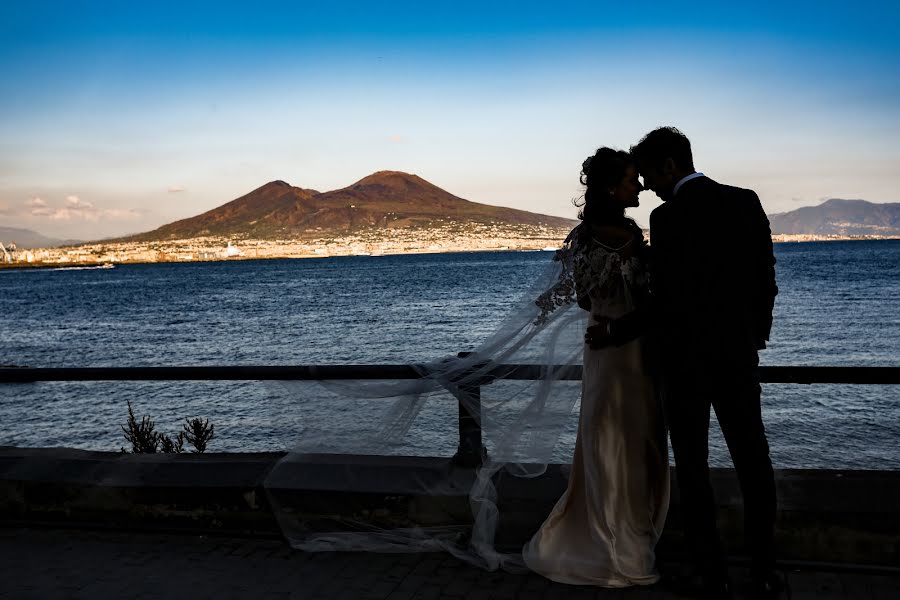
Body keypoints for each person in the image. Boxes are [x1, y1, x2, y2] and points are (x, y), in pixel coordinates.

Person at [626, 127, 782, 599]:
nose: (648, 185)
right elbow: (765, 275)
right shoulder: (745, 200)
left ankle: (712, 574)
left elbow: (667, 295)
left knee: (693, 468)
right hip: (737, 356)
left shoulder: (667, 219)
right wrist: (755, 334)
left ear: (670, 166)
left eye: (651, 174)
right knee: (754, 463)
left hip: (684, 361)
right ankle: (765, 570)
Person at [522, 147, 670, 587]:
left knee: (615, 436)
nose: (638, 186)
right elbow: (641, 298)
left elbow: (582, 297)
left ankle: (610, 535)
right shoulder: (627, 236)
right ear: (611, 187)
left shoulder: (590, 237)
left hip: (609, 345)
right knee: (627, 438)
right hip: (623, 349)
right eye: (630, 180)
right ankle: (622, 540)